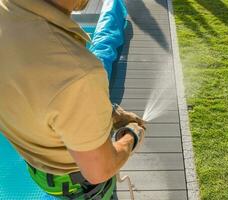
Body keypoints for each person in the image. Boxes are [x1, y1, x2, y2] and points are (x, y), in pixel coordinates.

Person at [0, 0, 145, 199]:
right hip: (79, 187)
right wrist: (132, 135)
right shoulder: (77, 73)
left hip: (39, 171)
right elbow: (99, 170)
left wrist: (106, 112)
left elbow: (37, 93)